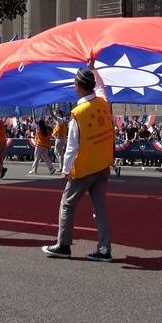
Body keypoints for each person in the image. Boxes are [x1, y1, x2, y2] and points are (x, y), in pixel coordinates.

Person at [42, 61, 113, 262]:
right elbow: (102, 87)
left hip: (84, 167)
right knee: (100, 207)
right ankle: (105, 249)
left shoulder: (78, 114)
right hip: (102, 164)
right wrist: (93, 69)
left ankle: (63, 245)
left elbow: (72, 146)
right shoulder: (103, 103)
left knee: (67, 204)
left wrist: (65, 170)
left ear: (78, 87)